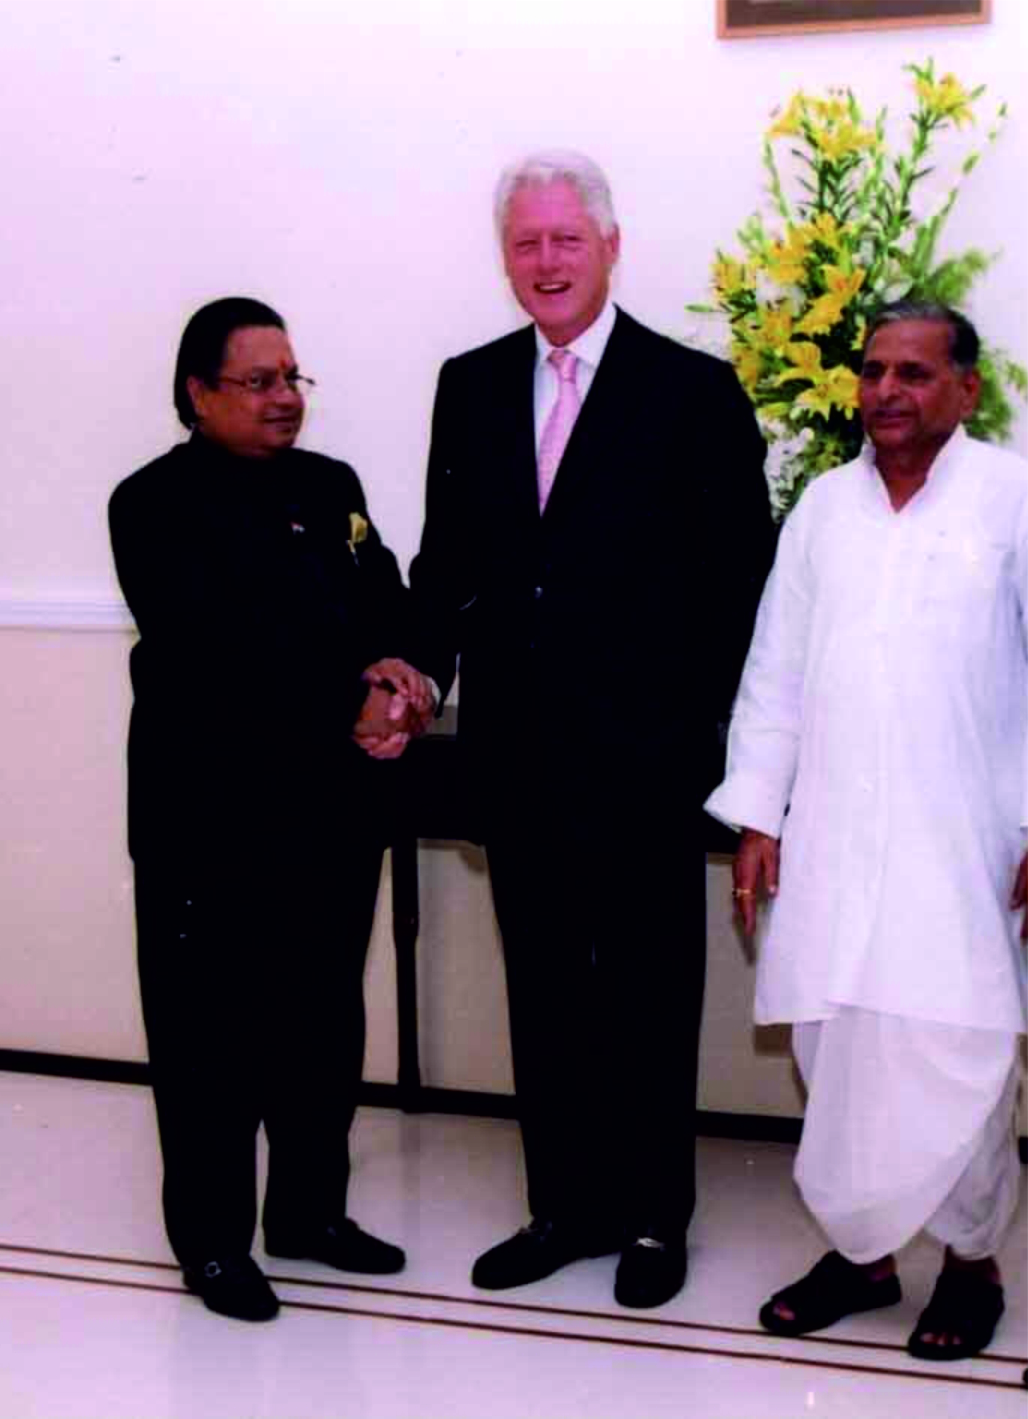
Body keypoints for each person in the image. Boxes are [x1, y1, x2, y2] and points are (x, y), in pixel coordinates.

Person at [410, 152, 772, 1308]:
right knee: (545, 991)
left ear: (610, 246)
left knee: (650, 994)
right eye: (525, 242)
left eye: (566, 238)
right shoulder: (468, 384)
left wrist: (692, 733)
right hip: (516, 761)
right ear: (503, 256)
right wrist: (414, 671)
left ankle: (655, 1218)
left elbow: (740, 585)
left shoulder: (691, 390)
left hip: (645, 767)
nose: (546, 261)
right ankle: (563, 1207)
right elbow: (446, 566)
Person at [706, 302, 1027, 1360]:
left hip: (964, 838)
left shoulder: (1009, 497)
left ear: (965, 389)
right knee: (834, 1047)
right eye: (873, 370)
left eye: (914, 373)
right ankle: (862, 1255)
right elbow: (775, 667)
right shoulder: (824, 509)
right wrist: (758, 813)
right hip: (834, 838)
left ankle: (971, 1263)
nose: (886, 390)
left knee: (957, 1047)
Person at [109, 297, 434, 1322]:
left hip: (330, 812)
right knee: (208, 1038)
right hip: (209, 819)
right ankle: (212, 1245)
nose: (284, 397)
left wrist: (401, 674)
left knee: (321, 1023)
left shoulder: (330, 485)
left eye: (293, 377)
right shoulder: (150, 504)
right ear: (198, 393)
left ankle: (308, 1213)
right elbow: (216, 648)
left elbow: (379, 596)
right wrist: (349, 702)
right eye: (259, 381)